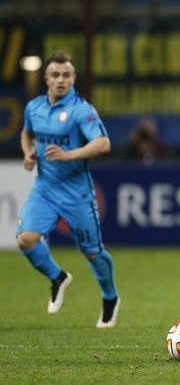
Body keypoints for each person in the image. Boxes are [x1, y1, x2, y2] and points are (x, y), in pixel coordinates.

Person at [17, 50, 120, 329]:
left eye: (66, 75)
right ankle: (58, 277)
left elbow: (103, 144)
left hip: (77, 194)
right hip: (45, 189)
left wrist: (69, 154)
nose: (60, 80)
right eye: (55, 75)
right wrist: (28, 154)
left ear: (73, 79)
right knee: (25, 239)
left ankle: (110, 297)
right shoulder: (34, 108)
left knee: (92, 252)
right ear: (46, 78)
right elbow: (26, 133)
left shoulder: (81, 110)